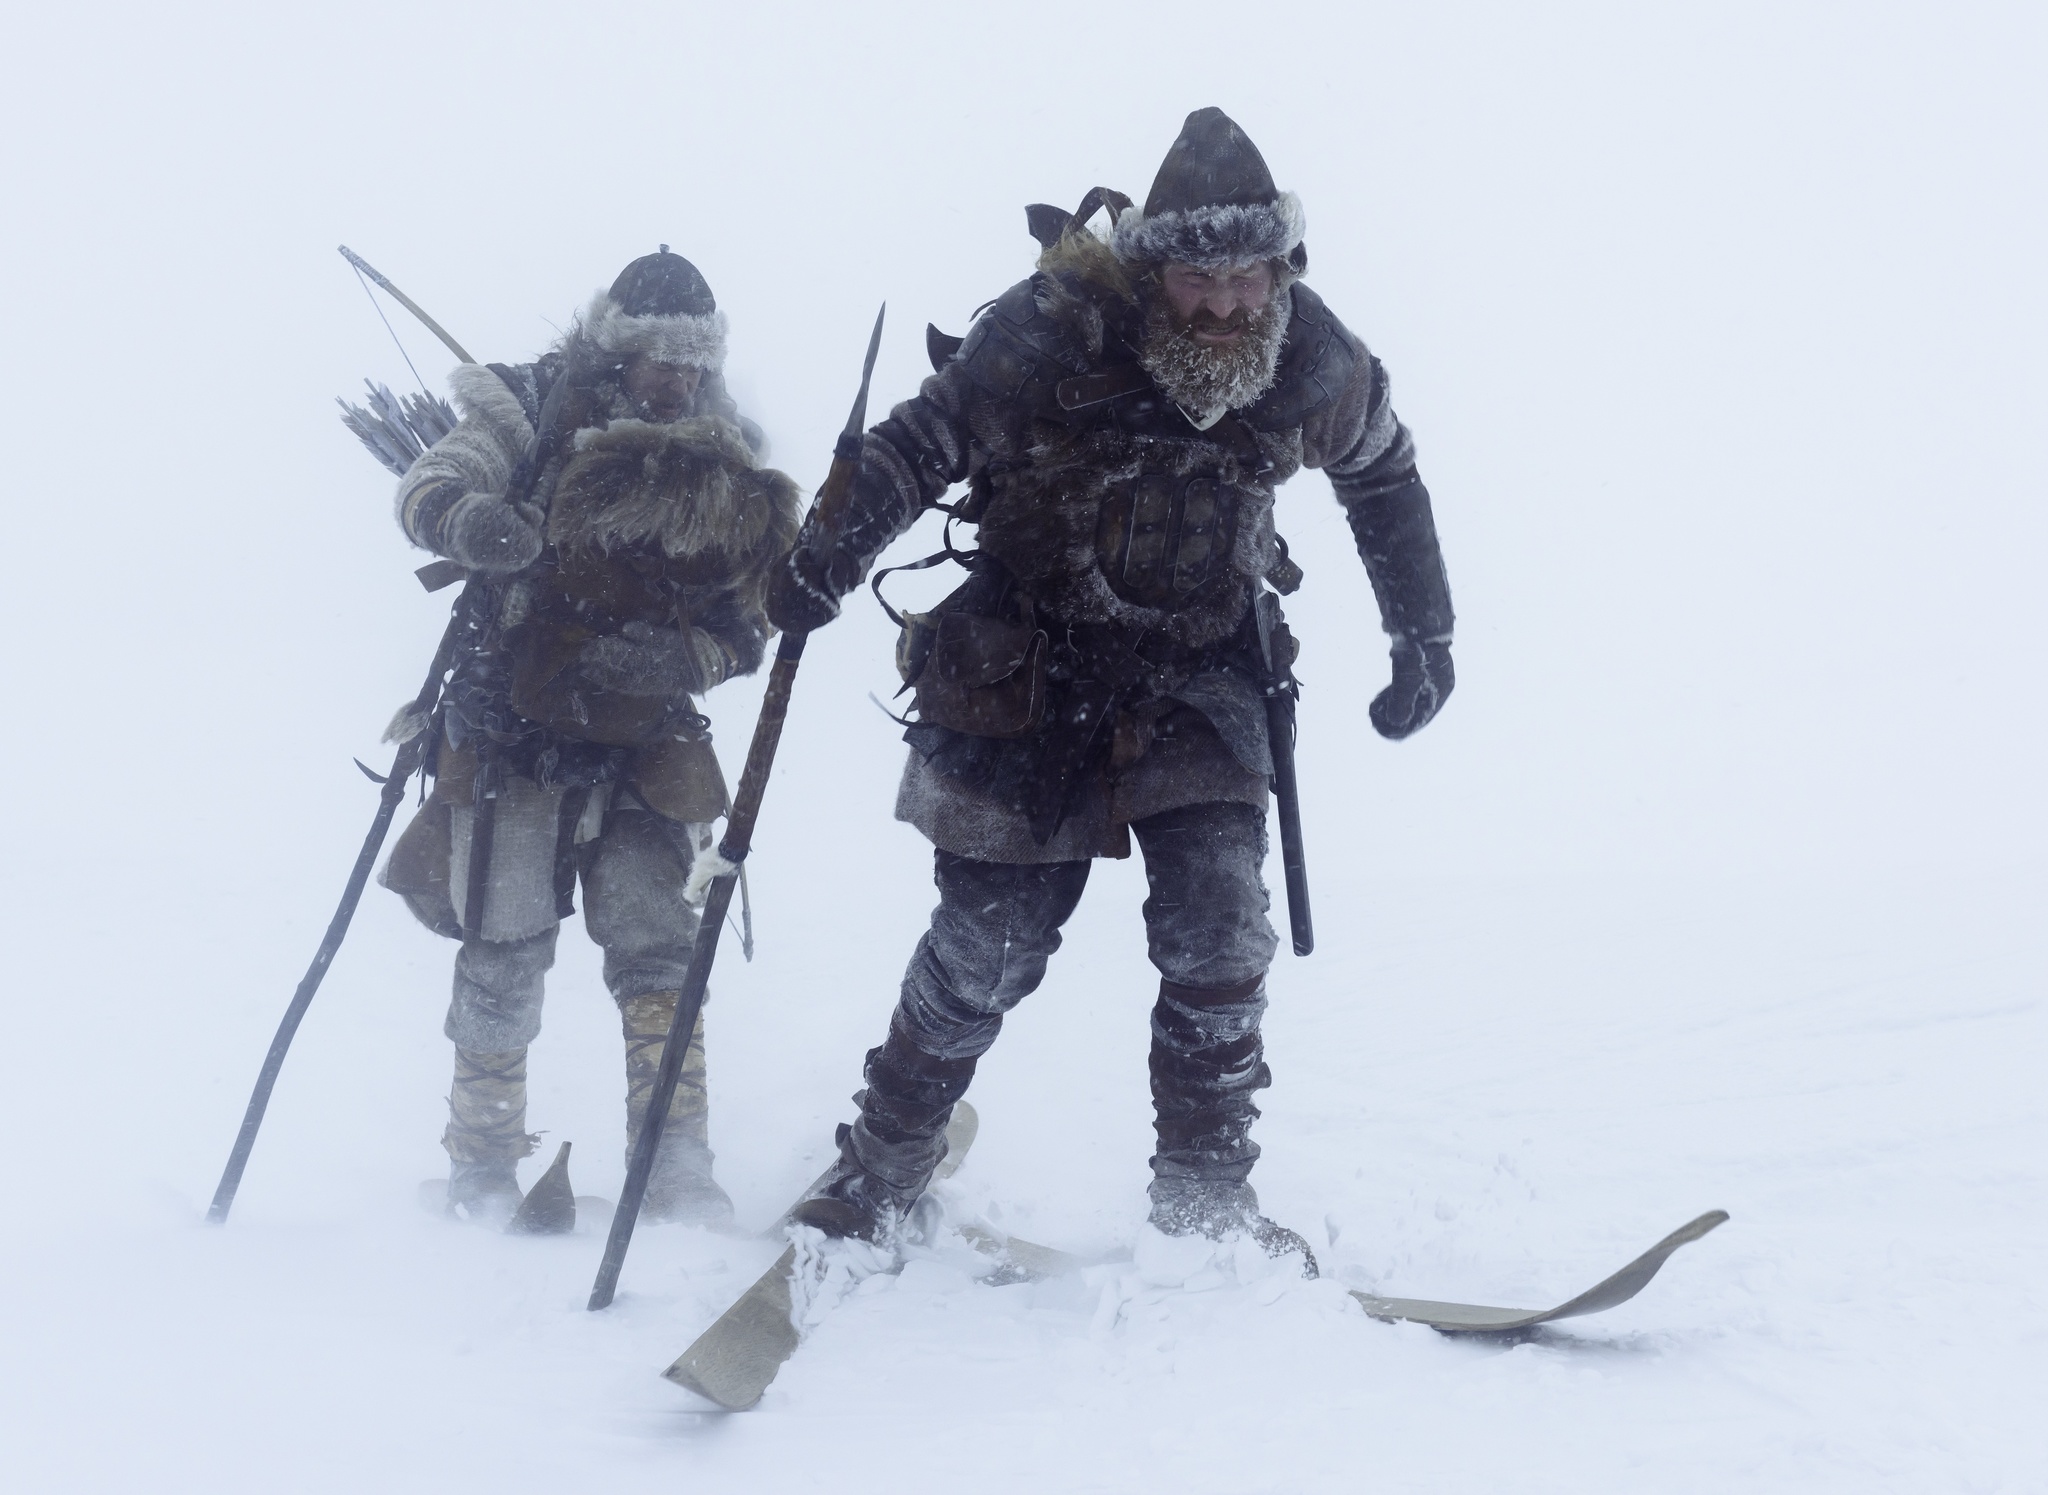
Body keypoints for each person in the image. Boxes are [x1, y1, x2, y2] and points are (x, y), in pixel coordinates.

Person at [765, 110, 1456, 1255]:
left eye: (1251, 276)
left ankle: (1203, 1198)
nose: (1230, 304)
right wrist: (827, 552)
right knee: (985, 947)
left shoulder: (1308, 352)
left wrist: (1421, 634)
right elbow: (923, 437)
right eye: (1200, 279)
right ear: (1153, 268)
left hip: (1201, 675)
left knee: (1222, 931)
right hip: (1028, 669)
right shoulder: (1055, 329)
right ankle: (880, 1168)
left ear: (1281, 266)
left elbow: (1382, 474)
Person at [380, 249, 800, 1225]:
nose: (679, 376)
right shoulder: (523, 410)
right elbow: (431, 484)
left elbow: (755, 609)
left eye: (695, 359)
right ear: (618, 345)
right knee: (502, 939)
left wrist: (689, 659)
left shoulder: (725, 448)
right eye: (662, 356)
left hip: (648, 745)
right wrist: (473, 521)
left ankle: (673, 1166)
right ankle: (481, 1164)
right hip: (511, 730)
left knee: (658, 949)